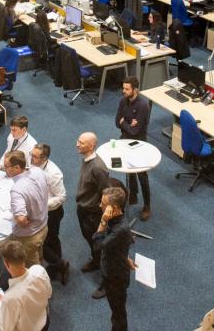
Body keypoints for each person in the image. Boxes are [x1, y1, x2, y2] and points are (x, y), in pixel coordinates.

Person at [93, 187, 136, 329]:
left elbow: (97, 246)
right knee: (116, 311)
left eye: (103, 204)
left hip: (115, 277)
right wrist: (125, 256)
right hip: (113, 267)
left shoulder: (120, 228)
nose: (100, 206)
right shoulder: (116, 220)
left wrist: (103, 221)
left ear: (114, 208)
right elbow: (120, 243)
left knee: (118, 314)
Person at [30, 143, 70, 284]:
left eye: (35, 156)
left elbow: (61, 197)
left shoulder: (53, 173)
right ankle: (57, 265)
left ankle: (61, 265)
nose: (31, 158)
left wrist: (41, 205)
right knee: (51, 240)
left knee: (45, 242)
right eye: (32, 154)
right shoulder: (34, 165)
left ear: (44, 158)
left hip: (52, 213)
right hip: (39, 211)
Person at [0, 240, 52, 331]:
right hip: (44, 322)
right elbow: (48, 294)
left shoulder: (9, 298)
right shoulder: (39, 270)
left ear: (7, 264)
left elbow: (5, 328)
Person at [115, 77, 152, 220]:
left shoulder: (143, 105)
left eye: (127, 89)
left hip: (139, 144)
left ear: (135, 90)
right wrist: (129, 124)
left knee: (142, 176)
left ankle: (147, 205)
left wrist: (125, 122)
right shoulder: (122, 101)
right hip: (125, 140)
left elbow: (135, 132)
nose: (123, 91)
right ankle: (133, 196)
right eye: (123, 88)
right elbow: (116, 122)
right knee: (129, 170)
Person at [5, 151, 50, 267]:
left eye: (6, 167)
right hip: (43, 225)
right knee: (38, 253)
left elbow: (21, 219)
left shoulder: (17, 189)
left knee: (32, 266)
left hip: (28, 236)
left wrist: (21, 220)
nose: (5, 169)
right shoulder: (38, 171)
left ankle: (40, 283)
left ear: (17, 167)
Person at [76, 132, 110, 273]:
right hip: (83, 208)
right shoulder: (86, 159)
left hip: (92, 214)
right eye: (78, 140)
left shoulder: (98, 167)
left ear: (91, 146)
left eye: (81, 143)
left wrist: (102, 218)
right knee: (89, 239)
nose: (77, 144)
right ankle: (96, 261)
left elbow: (106, 193)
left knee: (98, 245)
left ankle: (106, 277)